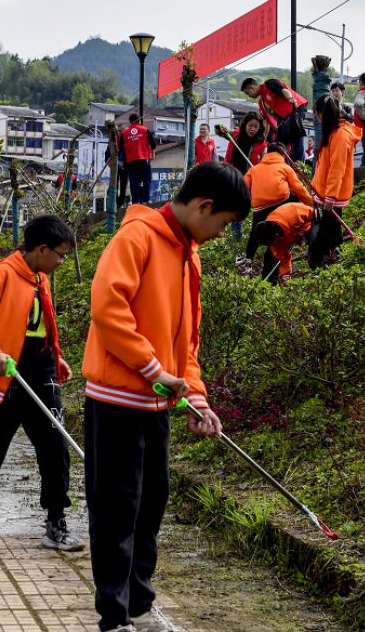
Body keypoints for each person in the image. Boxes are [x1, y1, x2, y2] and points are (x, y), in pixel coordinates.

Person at [84, 162, 245, 632]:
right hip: (116, 399)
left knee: (150, 504)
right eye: (224, 224)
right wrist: (155, 371)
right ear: (204, 206)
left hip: (157, 403)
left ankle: (138, 603)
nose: (221, 234)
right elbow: (108, 310)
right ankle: (114, 618)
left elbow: (186, 343)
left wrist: (196, 397)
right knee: (116, 509)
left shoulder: (187, 253)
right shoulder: (135, 238)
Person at [0, 215, 83, 551]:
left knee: (55, 448)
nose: (62, 261)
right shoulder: (4, 274)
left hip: (41, 372)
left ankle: (56, 522)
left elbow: (41, 322)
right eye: (60, 254)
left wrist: (56, 354)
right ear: (41, 249)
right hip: (8, 375)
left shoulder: (40, 277)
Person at [243, 147, 313, 279]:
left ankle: (249, 259)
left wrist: (303, 231)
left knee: (258, 236)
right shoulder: (284, 167)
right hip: (280, 202)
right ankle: (269, 279)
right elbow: (298, 188)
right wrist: (310, 202)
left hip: (263, 208)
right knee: (270, 245)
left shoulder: (254, 168)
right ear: (283, 154)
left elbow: (242, 187)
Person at [310, 97, 362, 269]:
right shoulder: (333, 131)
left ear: (321, 114)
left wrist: (330, 195)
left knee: (325, 232)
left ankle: (316, 264)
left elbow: (337, 168)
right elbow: (323, 164)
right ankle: (336, 256)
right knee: (332, 229)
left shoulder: (340, 135)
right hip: (325, 191)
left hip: (332, 194)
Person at [240, 76, 308, 160]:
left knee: (295, 136)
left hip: (295, 108)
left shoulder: (269, 84)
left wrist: (290, 98)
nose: (249, 96)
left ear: (251, 88)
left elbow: (283, 90)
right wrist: (263, 140)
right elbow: (266, 122)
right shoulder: (262, 102)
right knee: (279, 144)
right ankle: (282, 162)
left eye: (248, 93)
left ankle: (299, 164)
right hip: (284, 118)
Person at [247, 202, 315, 284]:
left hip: (313, 221)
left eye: (273, 243)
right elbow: (282, 256)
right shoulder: (271, 237)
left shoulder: (293, 214)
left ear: (276, 235)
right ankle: (268, 286)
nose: (273, 245)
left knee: (315, 243)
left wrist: (302, 231)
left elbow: (314, 215)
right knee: (270, 255)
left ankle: (319, 269)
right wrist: (286, 275)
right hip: (289, 234)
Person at [120, 114, 157, 205]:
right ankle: (145, 200)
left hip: (131, 162)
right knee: (146, 180)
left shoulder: (124, 133)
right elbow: (153, 145)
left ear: (130, 121)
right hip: (143, 159)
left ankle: (135, 201)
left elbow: (120, 147)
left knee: (134, 182)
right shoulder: (144, 130)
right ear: (139, 121)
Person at [222, 112, 266, 176]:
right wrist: (221, 129)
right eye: (250, 126)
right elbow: (221, 132)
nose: (253, 129)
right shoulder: (236, 135)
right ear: (245, 125)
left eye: (256, 127)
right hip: (231, 174)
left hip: (248, 177)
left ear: (259, 128)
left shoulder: (263, 145)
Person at [310, 55, 332, 154]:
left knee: (319, 152)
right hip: (322, 123)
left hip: (320, 123)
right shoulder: (323, 81)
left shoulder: (321, 81)